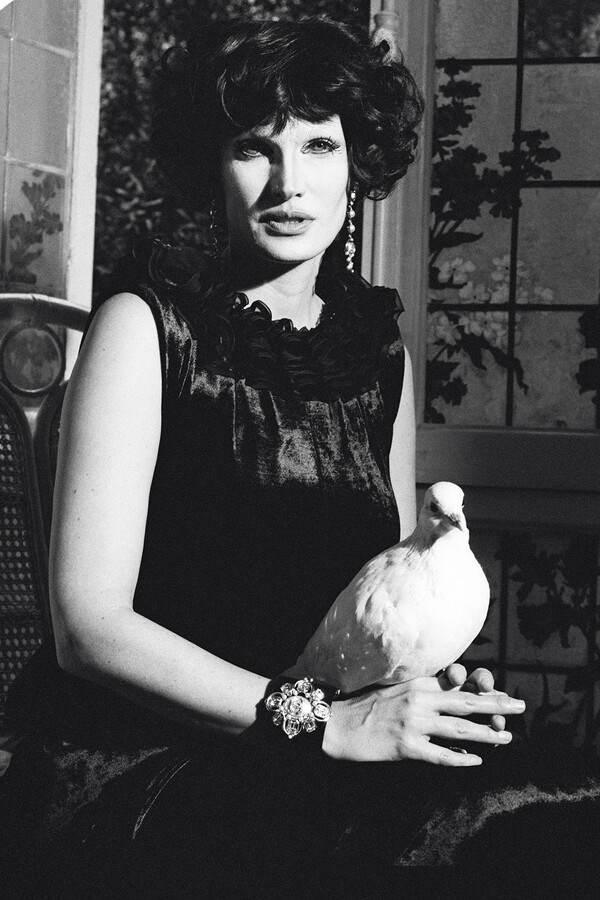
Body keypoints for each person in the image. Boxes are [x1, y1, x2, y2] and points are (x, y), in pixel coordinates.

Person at [1, 17, 599, 897]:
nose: (290, 183)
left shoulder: (378, 354)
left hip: (323, 740)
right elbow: (87, 630)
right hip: (146, 761)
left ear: (358, 162)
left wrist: (419, 686)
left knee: (552, 814)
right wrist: (318, 722)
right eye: (255, 148)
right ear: (213, 164)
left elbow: (385, 589)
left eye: (319, 145)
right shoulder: (146, 327)